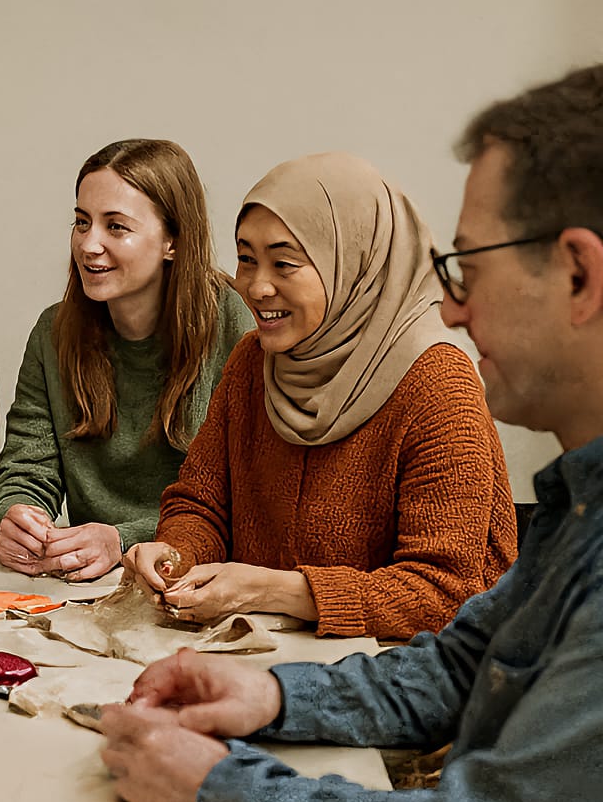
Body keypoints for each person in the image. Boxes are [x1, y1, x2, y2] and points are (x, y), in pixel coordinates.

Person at [98, 63, 603, 802]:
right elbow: (459, 660)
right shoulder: (581, 504)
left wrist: (213, 787)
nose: (448, 303)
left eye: (467, 265)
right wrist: (273, 694)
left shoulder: (438, 384)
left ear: (579, 273)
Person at [123, 152, 516, 641]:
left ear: (354, 266)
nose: (256, 286)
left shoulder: (437, 383)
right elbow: (201, 503)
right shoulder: (253, 362)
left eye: (284, 263)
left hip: (411, 685)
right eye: (246, 259)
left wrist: (280, 592)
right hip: (269, 663)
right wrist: (175, 554)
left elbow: (445, 594)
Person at [0, 139, 253, 582]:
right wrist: (19, 516)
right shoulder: (53, 333)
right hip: (87, 580)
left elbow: (242, 500)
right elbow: (25, 465)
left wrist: (123, 538)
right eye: (81, 222)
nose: (89, 244)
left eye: (116, 227)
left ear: (172, 241)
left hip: (195, 575)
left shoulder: (234, 325)